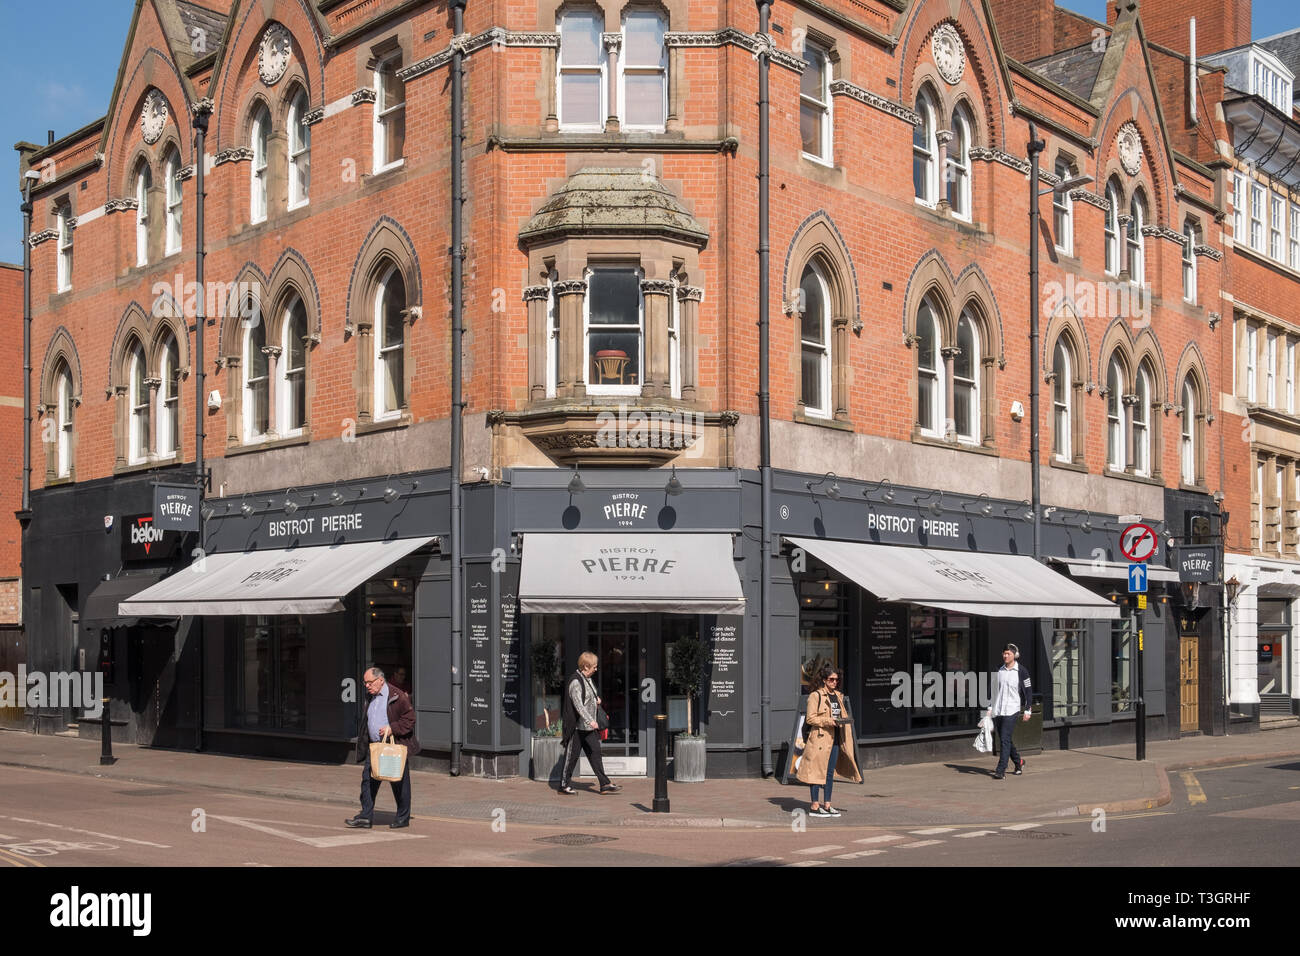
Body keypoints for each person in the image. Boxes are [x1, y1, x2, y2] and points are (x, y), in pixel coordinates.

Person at [346, 666, 420, 828]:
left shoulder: (397, 696)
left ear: (380, 680)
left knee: (399, 783)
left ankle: (402, 818)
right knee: (368, 781)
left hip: (393, 747)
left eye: (369, 682)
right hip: (374, 747)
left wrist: (392, 728)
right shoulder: (370, 695)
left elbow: (409, 720)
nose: (366, 685)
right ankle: (365, 816)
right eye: (365, 683)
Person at [796, 665, 861, 817]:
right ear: (824, 680)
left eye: (836, 680)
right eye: (831, 679)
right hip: (820, 740)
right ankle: (814, 805)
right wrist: (828, 721)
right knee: (816, 771)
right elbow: (811, 718)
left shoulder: (838, 696)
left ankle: (827, 804)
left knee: (829, 773)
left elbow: (841, 714)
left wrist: (844, 721)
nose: (834, 682)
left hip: (835, 739)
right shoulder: (815, 696)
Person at [558, 651, 622, 795]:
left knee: (595, 753)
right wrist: (591, 721)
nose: (596, 669)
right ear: (586, 666)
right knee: (572, 757)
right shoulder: (575, 681)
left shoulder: (588, 679)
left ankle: (604, 784)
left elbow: (589, 697)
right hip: (576, 727)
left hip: (587, 727)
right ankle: (563, 786)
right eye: (594, 666)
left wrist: (596, 699)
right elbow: (578, 705)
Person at [988, 643, 1032, 780]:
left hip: (1013, 709)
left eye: (1009, 654)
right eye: (1004, 653)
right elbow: (993, 689)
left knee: (1005, 739)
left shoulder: (1022, 671)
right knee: (1004, 739)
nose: (1005, 656)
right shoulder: (998, 670)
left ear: (1015, 655)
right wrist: (989, 708)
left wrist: (1028, 709)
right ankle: (1019, 762)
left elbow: (1028, 691)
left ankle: (1001, 769)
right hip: (999, 709)